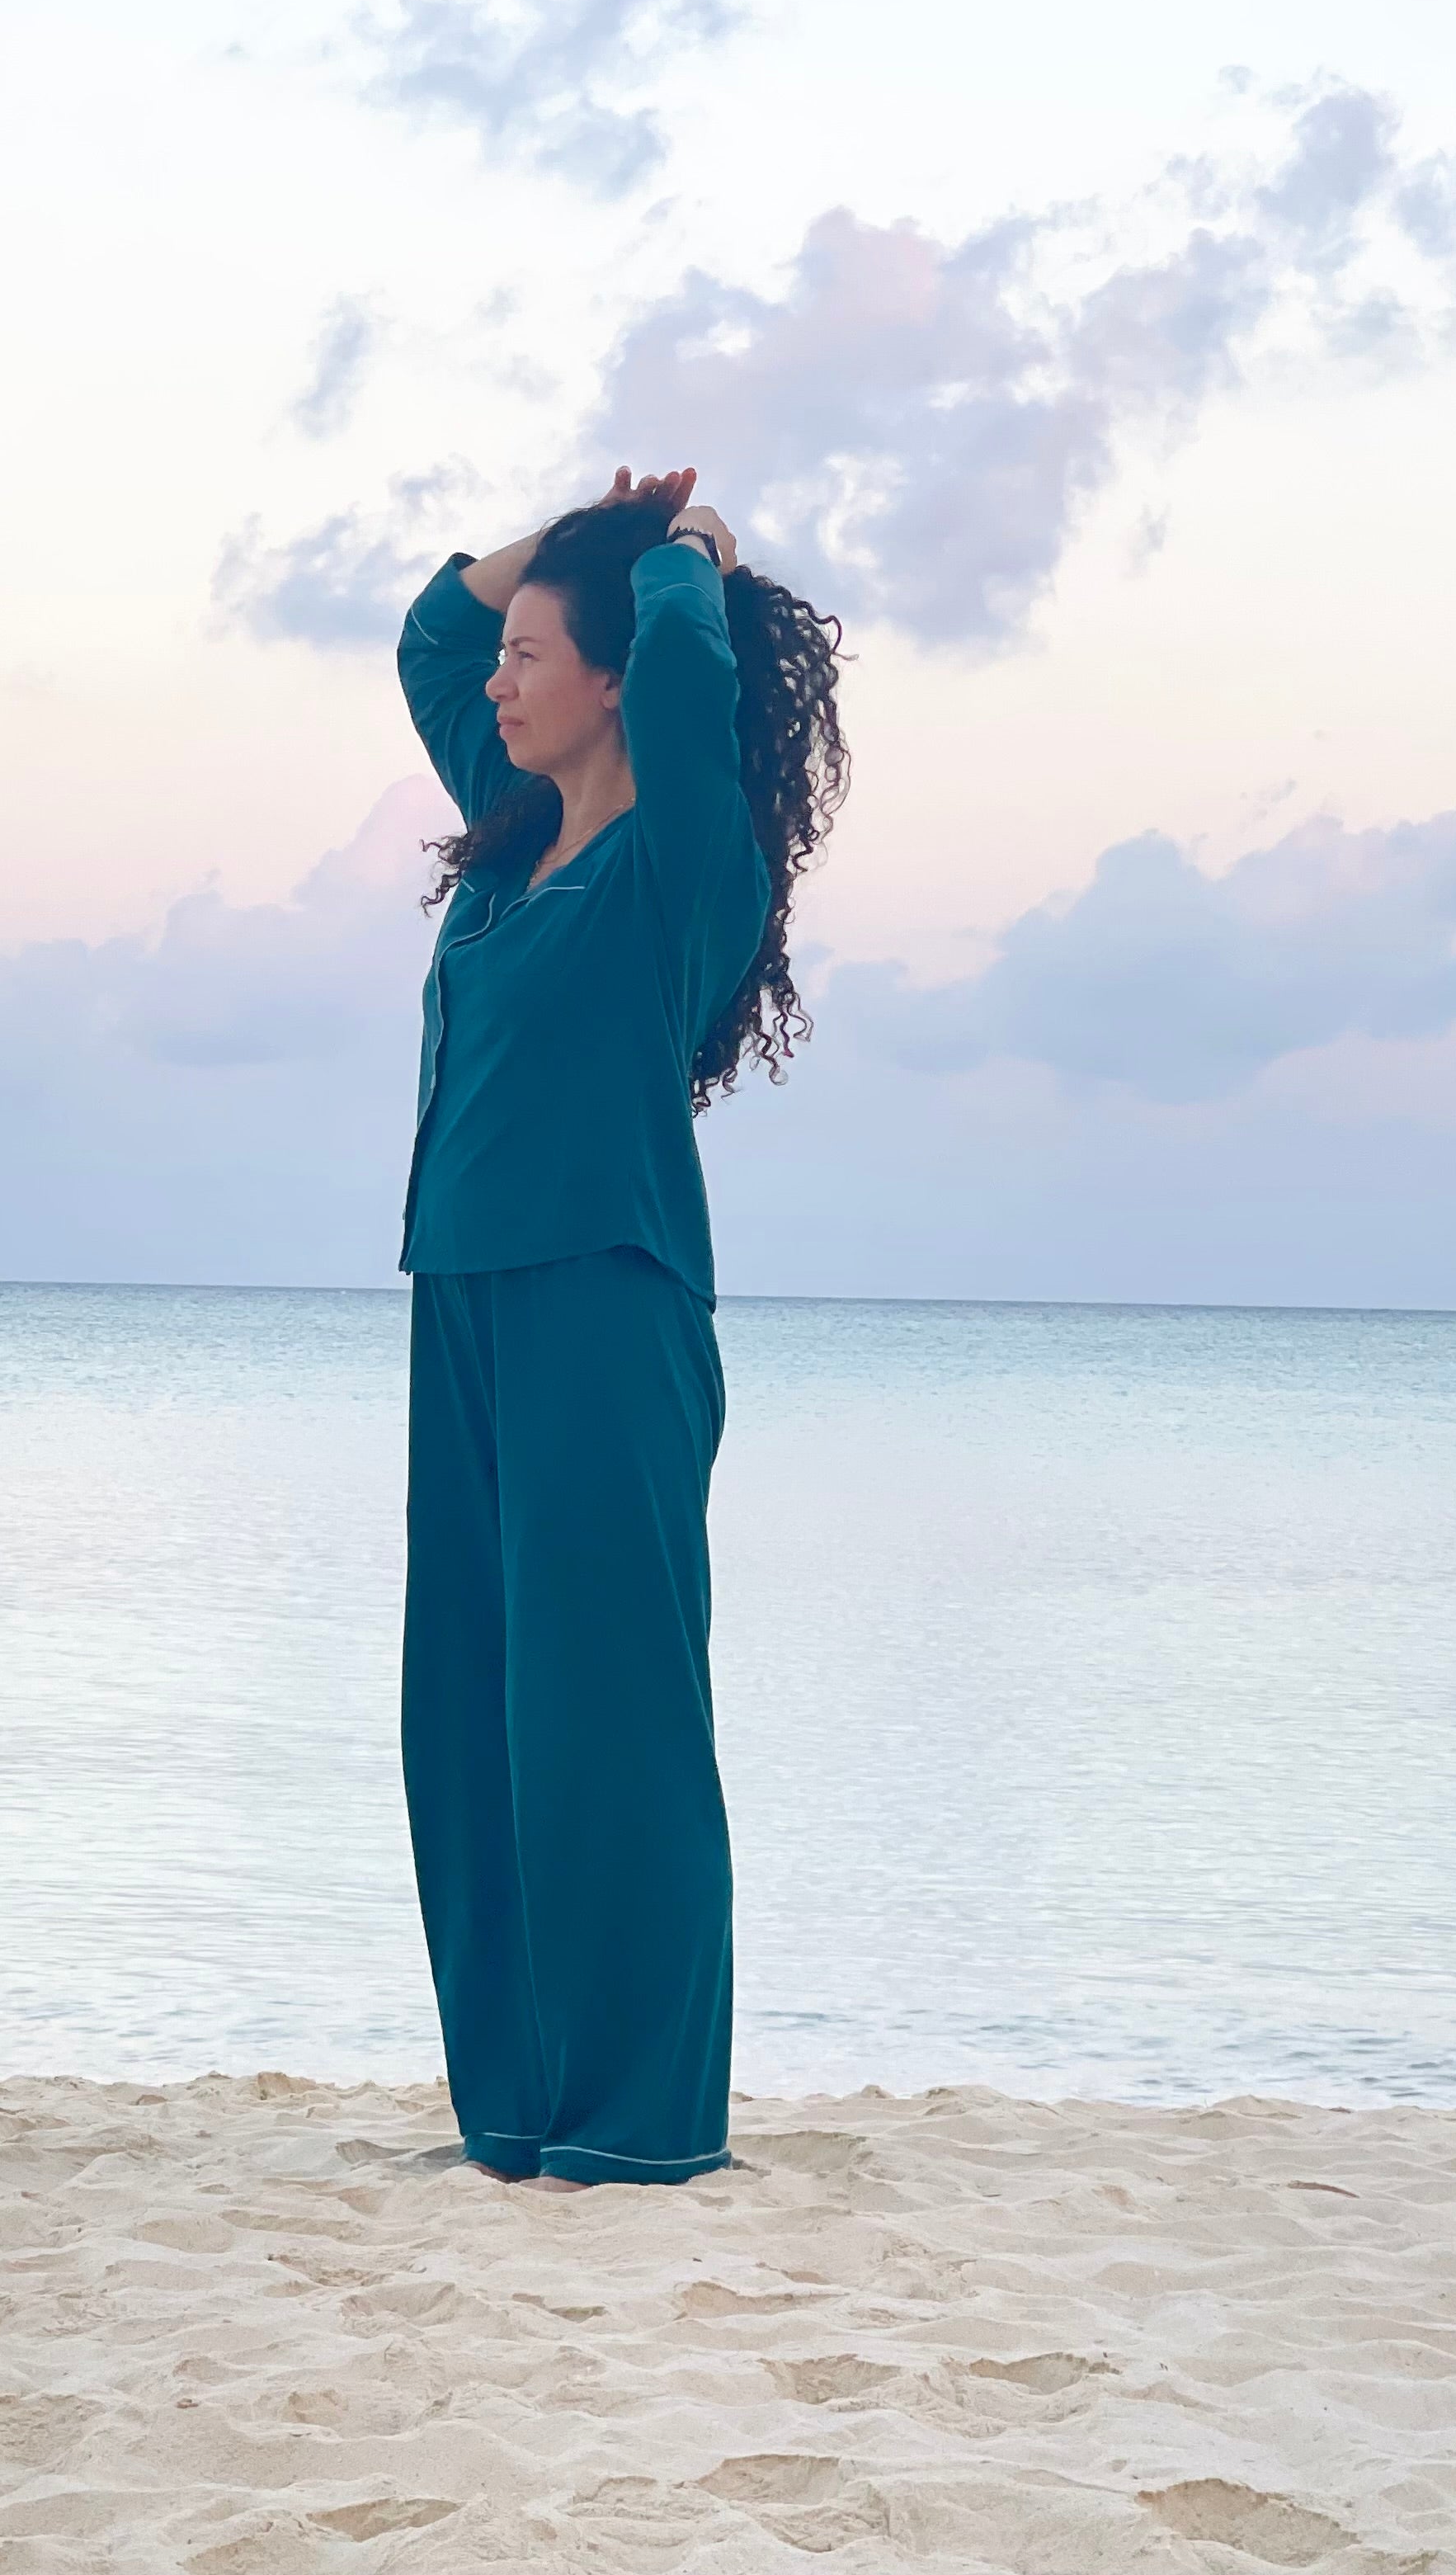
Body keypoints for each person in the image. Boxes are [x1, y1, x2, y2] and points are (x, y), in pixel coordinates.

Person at [393, 464, 849, 2188]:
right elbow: (432, 632)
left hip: (607, 1297)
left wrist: (675, 564)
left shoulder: (679, 860)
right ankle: (516, 2111)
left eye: (535, 655)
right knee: (475, 1717)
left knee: (612, 1717)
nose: (499, 679)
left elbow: (680, 671)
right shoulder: (512, 856)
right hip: (465, 1298)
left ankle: (644, 2124)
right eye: (508, 661)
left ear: (607, 685)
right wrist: (569, 529)